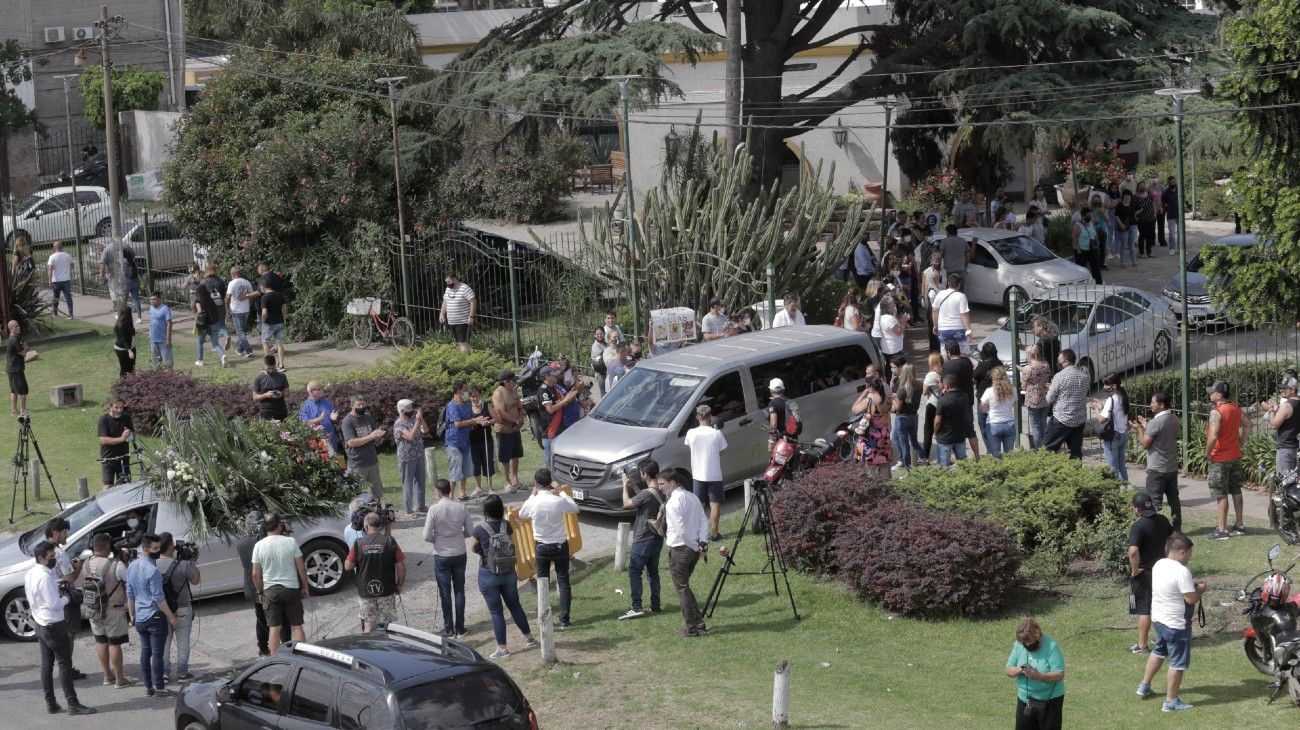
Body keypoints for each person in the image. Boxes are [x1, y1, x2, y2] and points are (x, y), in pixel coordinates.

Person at [26, 540, 97, 715]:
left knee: (46, 666)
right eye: (51, 557)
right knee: (65, 665)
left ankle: (51, 703)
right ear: (42, 558)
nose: (54, 559)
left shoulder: (31, 573)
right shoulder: (45, 576)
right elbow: (53, 603)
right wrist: (68, 598)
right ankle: (73, 704)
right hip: (53, 625)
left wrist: (59, 589)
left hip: (40, 624)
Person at [1137, 532, 1205, 713]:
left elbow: (1173, 585)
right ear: (1182, 552)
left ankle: (1144, 685)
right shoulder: (1182, 571)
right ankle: (1170, 702)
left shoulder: (1159, 564)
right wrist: (1201, 590)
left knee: (1159, 651)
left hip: (1159, 620)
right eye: (1189, 554)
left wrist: (1191, 583)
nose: (1190, 558)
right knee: (1178, 663)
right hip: (1176, 625)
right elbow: (1190, 599)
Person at [471, 495, 537, 658]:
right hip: (508, 572)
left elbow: (472, 546)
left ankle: (502, 648)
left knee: (496, 612)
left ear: (485, 511)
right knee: (515, 606)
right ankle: (529, 638)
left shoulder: (480, 529)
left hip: (489, 573)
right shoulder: (506, 525)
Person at [519, 468, 580, 630]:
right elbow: (574, 508)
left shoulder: (533, 501)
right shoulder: (557, 500)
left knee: (543, 582)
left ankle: (544, 618)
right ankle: (565, 620)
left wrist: (532, 494)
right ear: (550, 483)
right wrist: (561, 492)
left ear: (536, 484)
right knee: (563, 581)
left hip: (542, 547)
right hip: (560, 545)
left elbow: (522, 513)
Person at [125, 533, 179, 698]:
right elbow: (159, 598)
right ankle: (160, 688)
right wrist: (171, 617)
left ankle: (148, 687)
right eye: (155, 549)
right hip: (155, 617)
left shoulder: (132, 566)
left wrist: (132, 614)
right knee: (157, 654)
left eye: (159, 548)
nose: (158, 551)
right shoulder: (153, 570)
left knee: (145, 652)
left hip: (140, 617)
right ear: (145, 549)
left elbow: (130, 593)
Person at [81, 533, 135, 688]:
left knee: (101, 641)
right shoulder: (115, 565)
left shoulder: (86, 564)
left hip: (94, 609)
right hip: (113, 610)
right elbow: (129, 579)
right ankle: (120, 679)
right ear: (106, 546)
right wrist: (125, 562)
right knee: (114, 643)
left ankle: (107, 676)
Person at [251, 513, 310, 655]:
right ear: (279, 525)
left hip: (270, 590)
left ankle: (275, 660)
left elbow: (255, 573)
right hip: (291, 588)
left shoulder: (259, 545)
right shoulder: (291, 542)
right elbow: (301, 568)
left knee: (274, 628)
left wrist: (260, 591)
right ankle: (302, 657)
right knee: (297, 627)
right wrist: (305, 587)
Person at [661, 466, 709, 637]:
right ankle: (699, 623)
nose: (660, 487)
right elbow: (703, 519)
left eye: (662, 484)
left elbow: (682, 532)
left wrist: (697, 545)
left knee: (681, 589)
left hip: (681, 549)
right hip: (693, 549)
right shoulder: (692, 496)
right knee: (685, 587)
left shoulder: (673, 503)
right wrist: (702, 542)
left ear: (672, 483)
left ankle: (691, 628)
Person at [423, 479, 473, 637]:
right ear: (449, 491)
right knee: (459, 590)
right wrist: (460, 535)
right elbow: (470, 530)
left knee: (445, 593)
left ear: (438, 493)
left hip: (441, 554)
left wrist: (436, 540)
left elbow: (426, 535)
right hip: (459, 552)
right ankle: (460, 627)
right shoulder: (461, 506)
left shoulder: (434, 509)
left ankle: (448, 628)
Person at [237, 512, 289, 656]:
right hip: (269, 586)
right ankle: (285, 647)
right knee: (281, 619)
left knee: (261, 620)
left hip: (254, 588)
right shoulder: (265, 543)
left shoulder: (242, 543)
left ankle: (263, 649)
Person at [345, 511, 406, 632]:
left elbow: (348, 566)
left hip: (365, 592)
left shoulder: (358, 544)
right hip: (387, 590)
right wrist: (399, 585)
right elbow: (401, 566)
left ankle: (368, 647)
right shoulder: (391, 542)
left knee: (368, 624)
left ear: (366, 527)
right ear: (380, 526)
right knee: (387, 625)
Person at [1128, 493, 1173, 655]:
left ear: (1137, 508)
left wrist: (1135, 570)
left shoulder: (1138, 526)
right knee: (1161, 605)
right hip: (1162, 570)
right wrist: (1168, 557)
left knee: (1144, 609)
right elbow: (1173, 537)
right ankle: (1163, 638)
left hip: (1145, 573)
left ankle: (1142, 645)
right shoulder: (1162, 520)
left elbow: (1133, 551)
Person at [1205, 380, 1250, 540]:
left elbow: (1214, 435)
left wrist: (1207, 452)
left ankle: (1222, 530)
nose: (1210, 394)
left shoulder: (1216, 412)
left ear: (1219, 394)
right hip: (1235, 455)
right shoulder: (1235, 407)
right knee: (1236, 490)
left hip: (1220, 457)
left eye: (1213, 392)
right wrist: (1241, 443)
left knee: (1221, 494)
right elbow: (1248, 424)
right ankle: (1239, 525)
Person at [1133, 392, 1183, 533]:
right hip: (1171, 467)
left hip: (1157, 469)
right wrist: (1147, 425)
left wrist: (1140, 429)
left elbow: (1145, 444)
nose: (1150, 405)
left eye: (1153, 402)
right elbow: (1162, 434)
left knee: (1154, 502)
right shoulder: (1173, 418)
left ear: (1161, 405)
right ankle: (1177, 529)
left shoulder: (1156, 423)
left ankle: (1155, 530)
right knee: (1174, 500)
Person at [619, 466, 664, 620]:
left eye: (641, 473)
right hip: (656, 539)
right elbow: (647, 501)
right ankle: (656, 605)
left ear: (645, 474)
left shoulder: (646, 494)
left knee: (634, 571)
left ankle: (636, 606)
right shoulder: (661, 491)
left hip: (642, 539)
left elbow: (626, 504)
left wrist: (624, 485)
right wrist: (634, 486)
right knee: (653, 573)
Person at [1004, 617, 1065, 730]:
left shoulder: (1051, 646)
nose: (1026, 645)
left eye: (1029, 641)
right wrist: (1019, 669)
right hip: (1025, 700)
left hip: (1050, 701)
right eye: (1024, 642)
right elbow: (1008, 669)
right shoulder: (1019, 644)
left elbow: (1059, 674)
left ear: (1038, 635)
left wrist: (1039, 676)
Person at [157, 532, 200, 683]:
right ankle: (182, 673)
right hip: (182, 608)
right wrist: (192, 560)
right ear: (170, 547)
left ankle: (164, 673)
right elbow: (196, 580)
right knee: (183, 643)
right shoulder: (182, 565)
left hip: (162, 609)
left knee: (164, 643)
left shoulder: (153, 565)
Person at [684, 404, 727, 541]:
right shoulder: (717, 433)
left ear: (697, 417)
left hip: (698, 475)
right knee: (714, 505)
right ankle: (714, 534)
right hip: (714, 475)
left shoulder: (691, 433)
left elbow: (689, 445)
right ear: (709, 417)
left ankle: (698, 535)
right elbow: (722, 450)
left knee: (698, 506)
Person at [1043, 349, 1090, 459]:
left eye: (1059, 360)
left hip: (1061, 418)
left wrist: (1051, 388)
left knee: (1047, 450)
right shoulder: (1084, 376)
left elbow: (1049, 399)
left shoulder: (1060, 376)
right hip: (1079, 419)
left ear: (1066, 361)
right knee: (1075, 453)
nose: (1058, 363)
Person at [342, 395, 387, 498]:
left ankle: (379, 512)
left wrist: (377, 435)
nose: (362, 407)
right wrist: (371, 436)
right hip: (357, 464)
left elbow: (372, 435)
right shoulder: (347, 421)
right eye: (359, 405)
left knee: (378, 494)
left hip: (372, 461)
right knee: (358, 496)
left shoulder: (367, 417)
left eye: (363, 404)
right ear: (352, 406)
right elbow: (351, 442)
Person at [539, 365, 584, 468]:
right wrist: (565, 401)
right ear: (546, 377)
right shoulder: (543, 390)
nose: (555, 376)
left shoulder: (554, 387)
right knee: (549, 460)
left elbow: (565, 399)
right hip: (550, 429)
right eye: (552, 374)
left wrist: (575, 391)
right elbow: (550, 409)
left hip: (560, 427)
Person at [851, 377, 894, 478]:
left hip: (871, 436)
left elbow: (854, 410)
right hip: (884, 433)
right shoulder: (887, 399)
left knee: (870, 463)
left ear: (870, 387)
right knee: (884, 461)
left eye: (867, 386)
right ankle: (886, 486)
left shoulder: (869, 401)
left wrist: (863, 395)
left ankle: (873, 487)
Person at [443, 381, 478, 500]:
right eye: (465, 389)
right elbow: (457, 423)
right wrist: (474, 421)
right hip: (453, 442)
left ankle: (462, 494)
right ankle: (450, 496)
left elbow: (470, 422)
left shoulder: (467, 405)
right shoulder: (452, 405)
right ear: (459, 391)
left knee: (465, 469)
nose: (467, 392)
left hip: (465, 442)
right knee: (455, 470)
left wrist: (479, 421)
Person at [934, 373, 979, 465]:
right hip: (960, 436)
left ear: (946, 385)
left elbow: (937, 421)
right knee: (963, 464)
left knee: (944, 466)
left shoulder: (943, 400)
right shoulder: (964, 396)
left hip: (945, 438)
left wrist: (935, 433)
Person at [492, 371, 526, 492]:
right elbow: (500, 412)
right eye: (513, 380)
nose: (515, 382)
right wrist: (515, 420)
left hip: (515, 429)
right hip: (504, 430)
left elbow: (519, 405)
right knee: (505, 457)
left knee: (515, 454)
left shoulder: (514, 390)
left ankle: (515, 479)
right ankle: (507, 481)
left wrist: (520, 418)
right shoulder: (498, 393)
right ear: (506, 382)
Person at [394, 399, 429, 516]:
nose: (412, 410)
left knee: (420, 481)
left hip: (418, 454)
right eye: (409, 408)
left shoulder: (414, 419)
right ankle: (408, 510)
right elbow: (410, 437)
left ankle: (421, 505)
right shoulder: (399, 424)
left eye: (412, 407)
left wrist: (421, 419)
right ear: (402, 410)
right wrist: (416, 422)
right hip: (406, 458)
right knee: (407, 483)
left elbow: (425, 430)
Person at [1095, 373, 1130, 482]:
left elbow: (1102, 419)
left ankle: (1115, 493)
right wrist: (1102, 407)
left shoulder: (1111, 400)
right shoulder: (1124, 396)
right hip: (1123, 434)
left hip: (1112, 437)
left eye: (1106, 385)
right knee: (1121, 466)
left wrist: (1096, 409)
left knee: (1112, 468)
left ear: (1114, 386)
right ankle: (1125, 489)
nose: (1104, 387)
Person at [1264, 374, 1300, 476]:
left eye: (1284, 388)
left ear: (1292, 390)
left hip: (1286, 447)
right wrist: (1277, 408)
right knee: (1296, 480)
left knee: (1284, 480)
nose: (1281, 391)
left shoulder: (1286, 405)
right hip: (1297, 446)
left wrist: (1271, 410)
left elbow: (1274, 425)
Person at [193, 265, 228, 368]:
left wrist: (198, 314)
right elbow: (223, 293)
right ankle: (223, 355)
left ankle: (200, 360)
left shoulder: (201, 290)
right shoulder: (219, 282)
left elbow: (197, 304)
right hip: (215, 317)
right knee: (215, 342)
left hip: (204, 320)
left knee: (200, 341)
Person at [890, 357, 922, 469]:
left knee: (904, 445)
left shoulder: (902, 389)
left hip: (902, 417)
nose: (892, 370)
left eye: (893, 367)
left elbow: (898, 407)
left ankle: (907, 466)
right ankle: (924, 460)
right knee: (914, 442)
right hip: (914, 416)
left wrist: (894, 398)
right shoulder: (919, 385)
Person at [98, 397, 135, 490]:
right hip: (109, 458)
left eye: (121, 407)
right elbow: (103, 440)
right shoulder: (103, 420)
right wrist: (122, 438)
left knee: (125, 486)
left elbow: (133, 436)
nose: (119, 410)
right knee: (108, 486)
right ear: (110, 407)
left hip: (124, 457)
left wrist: (129, 435)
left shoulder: (126, 417)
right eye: (116, 407)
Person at [467, 384, 497, 498]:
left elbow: (497, 418)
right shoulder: (467, 408)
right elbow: (466, 422)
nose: (474, 398)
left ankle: (490, 487)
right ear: (469, 397)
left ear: (480, 395)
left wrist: (488, 422)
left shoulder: (486, 406)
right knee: (475, 464)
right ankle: (478, 488)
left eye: (476, 396)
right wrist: (475, 422)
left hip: (486, 439)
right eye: (472, 396)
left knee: (488, 462)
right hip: (473, 440)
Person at [981, 367, 1018, 458]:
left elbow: (983, 409)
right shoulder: (1013, 390)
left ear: (993, 378)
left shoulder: (989, 391)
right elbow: (1013, 403)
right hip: (1009, 423)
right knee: (1009, 455)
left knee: (995, 455)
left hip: (993, 423)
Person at [931, 273, 972, 354]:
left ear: (948, 283)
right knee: (962, 352)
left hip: (943, 329)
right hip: (958, 328)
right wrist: (968, 330)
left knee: (945, 352)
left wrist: (936, 326)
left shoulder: (940, 294)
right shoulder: (961, 296)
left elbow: (934, 311)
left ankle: (947, 366)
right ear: (959, 284)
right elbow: (964, 314)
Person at [1020, 345, 1052, 448]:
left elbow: (1023, 387)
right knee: (1043, 424)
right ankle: (1045, 447)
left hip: (1032, 400)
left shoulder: (1028, 368)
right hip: (1045, 398)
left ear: (1030, 355)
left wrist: (1022, 373)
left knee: (1035, 427)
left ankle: (1039, 450)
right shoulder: (1046, 365)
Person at [973, 341, 1004, 448]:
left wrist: (976, 366)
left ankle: (991, 449)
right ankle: (996, 447)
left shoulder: (982, 365)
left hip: (984, 399)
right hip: (998, 396)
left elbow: (974, 377)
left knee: (983, 424)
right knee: (995, 423)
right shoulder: (999, 363)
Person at [298, 381, 340, 455]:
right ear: (311, 392)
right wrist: (318, 419)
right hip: (317, 442)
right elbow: (304, 423)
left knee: (336, 461)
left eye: (322, 388)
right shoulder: (305, 406)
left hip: (331, 439)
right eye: (319, 389)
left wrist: (334, 418)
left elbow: (335, 417)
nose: (322, 390)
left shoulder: (326, 402)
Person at [439, 273, 477, 354]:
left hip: (462, 321)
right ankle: (461, 360)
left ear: (455, 279)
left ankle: (465, 362)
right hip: (451, 321)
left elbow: (473, 302)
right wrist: (442, 314)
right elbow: (445, 302)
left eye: (449, 282)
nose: (447, 284)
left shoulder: (465, 288)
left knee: (463, 343)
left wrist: (471, 316)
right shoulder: (448, 289)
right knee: (457, 343)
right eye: (446, 282)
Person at [224, 266, 255, 358]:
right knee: (242, 331)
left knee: (240, 332)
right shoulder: (246, 282)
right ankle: (239, 349)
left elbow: (228, 297)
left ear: (233, 274)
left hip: (236, 310)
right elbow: (251, 295)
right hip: (246, 309)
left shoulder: (232, 283)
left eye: (230, 274)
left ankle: (248, 350)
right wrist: (249, 305)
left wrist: (227, 306)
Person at [920, 352, 943, 464]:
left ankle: (925, 458)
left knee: (928, 431)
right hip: (941, 404)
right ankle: (942, 457)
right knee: (940, 431)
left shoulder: (930, 375)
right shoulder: (943, 373)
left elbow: (924, 392)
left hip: (932, 404)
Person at [259, 279, 287, 369]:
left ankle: (269, 365)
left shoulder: (264, 297)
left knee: (266, 342)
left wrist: (263, 321)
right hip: (280, 321)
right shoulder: (279, 295)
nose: (260, 288)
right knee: (279, 344)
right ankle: (281, 365)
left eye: (260, 287)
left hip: (269, 323)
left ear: (264, 286)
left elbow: (264, 313)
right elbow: (285, 308)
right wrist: (282, 316)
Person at [252, 355, 289, 421]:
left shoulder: (282, 376)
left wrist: (281, 394)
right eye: (268, 368)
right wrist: (266, 395)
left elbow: (288, 393)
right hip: (266, 412)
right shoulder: (259, 378)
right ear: (264, 366)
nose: (271, 370)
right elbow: (255, 397)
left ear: (275, 365)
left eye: (273, 368)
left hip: (281, 410)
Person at [1072, 207, 1102, 284]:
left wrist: (1098, 245)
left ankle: (1099, 283)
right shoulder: (1077, 226)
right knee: (1081, 269)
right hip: (1082, 250)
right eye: (1088, 216)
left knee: (1096, 268)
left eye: (1091, 215)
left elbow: (1095, 235)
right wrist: (1078, 250)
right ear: (1083, 216)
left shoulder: (1091, 224)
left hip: (1092, 249)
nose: (1090, 217)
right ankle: (1080, 284)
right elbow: (1075, 239)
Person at [47, 241, 75, 319]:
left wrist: (49, 280)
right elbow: (72, 265)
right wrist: (67, 269)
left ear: (54, 247)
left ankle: (55, 313)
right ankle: (71, 314)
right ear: (62, 247)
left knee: (56, 297)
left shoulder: (52, 257)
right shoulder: (67, 255)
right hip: (66, 279)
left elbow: (50, 269)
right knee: (68, 297)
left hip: (56, 280)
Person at [7, 319, 28, 416]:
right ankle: (23, 410)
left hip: (13, 369)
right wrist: (25, 348)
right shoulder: (14, 340)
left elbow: (24, 344)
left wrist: (24, 346)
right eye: (16, 326)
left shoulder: (17, 337)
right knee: (23, 390)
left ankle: (14, 411)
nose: (19, 327)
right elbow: (23, 353)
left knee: (14, 390)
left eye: (18, 325)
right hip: (15, 369)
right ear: (11, 329)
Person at [148, 292, 174, 369]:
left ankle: (170, 378)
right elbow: (151, 322)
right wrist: (150, 334)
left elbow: (169, 323)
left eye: (154, 299)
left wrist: (168, 339)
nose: (152, 301)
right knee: (156, 363)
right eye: (151, 299)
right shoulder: (151, 308)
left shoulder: (165, 308)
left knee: (168, 363)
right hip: (153, 340)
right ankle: (158, 378)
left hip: (163, 340)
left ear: (159, 299)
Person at [1134, 183, 1158, 258]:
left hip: (1150, 218)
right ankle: (1141, 252)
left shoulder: (1149, 195)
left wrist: (1154, 214)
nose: (1142, 187)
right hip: (1141, 219)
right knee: (1142, 235)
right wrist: (1136, 214)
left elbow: (1153, 204)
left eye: (1143, 185)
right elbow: (1133, 208)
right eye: (1140, 185)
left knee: (1149, 236)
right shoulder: (1135, 197)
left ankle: (1149, 251)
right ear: (1137, 187)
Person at [1114, 189, 1137, 267]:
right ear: (1123, 196)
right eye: (1126, 195)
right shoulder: (1119, 205)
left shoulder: (1133, 204)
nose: (1127, 197)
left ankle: (1134, 262)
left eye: (1129, 195)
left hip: (1133, 225)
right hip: (1123, 226)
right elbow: (1116, 216)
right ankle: (1122, 263)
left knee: (1132, 244)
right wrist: (1120, 224)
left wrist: (1136, 216)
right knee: (1123, 245)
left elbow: (1139, 209)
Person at [112, 306, 136, 378]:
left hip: (130, 347)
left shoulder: (124, 321)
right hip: (123, 349)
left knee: (131, 368)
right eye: (131, 311)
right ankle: (124, 385)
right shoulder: (122, 325)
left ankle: (131, 383)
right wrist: (129, 351)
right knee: (125, 369)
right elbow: (124, 339)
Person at [1162, 176, 1181, 255]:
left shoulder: (1179, 189)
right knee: (1171, 233)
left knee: (1180, 232)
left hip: (1179, 214)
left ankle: (1181, 248)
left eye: (1173, 182)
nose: (1172, 183)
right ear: (1168, 183)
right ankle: (1172, 248)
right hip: (1170, 215)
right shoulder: (1166, 192)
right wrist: (1165, 207)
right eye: (1170, 182)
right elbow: (1163, 202)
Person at [589, 327, 608, 395]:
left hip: (606, 371)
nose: (599, 335)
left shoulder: (604, 343)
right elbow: (603, 360)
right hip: (602, 373)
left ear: (604, 334)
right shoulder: (596, 346)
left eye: (601, 333)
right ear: (594, 335)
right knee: (604, 394)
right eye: (597, 334)